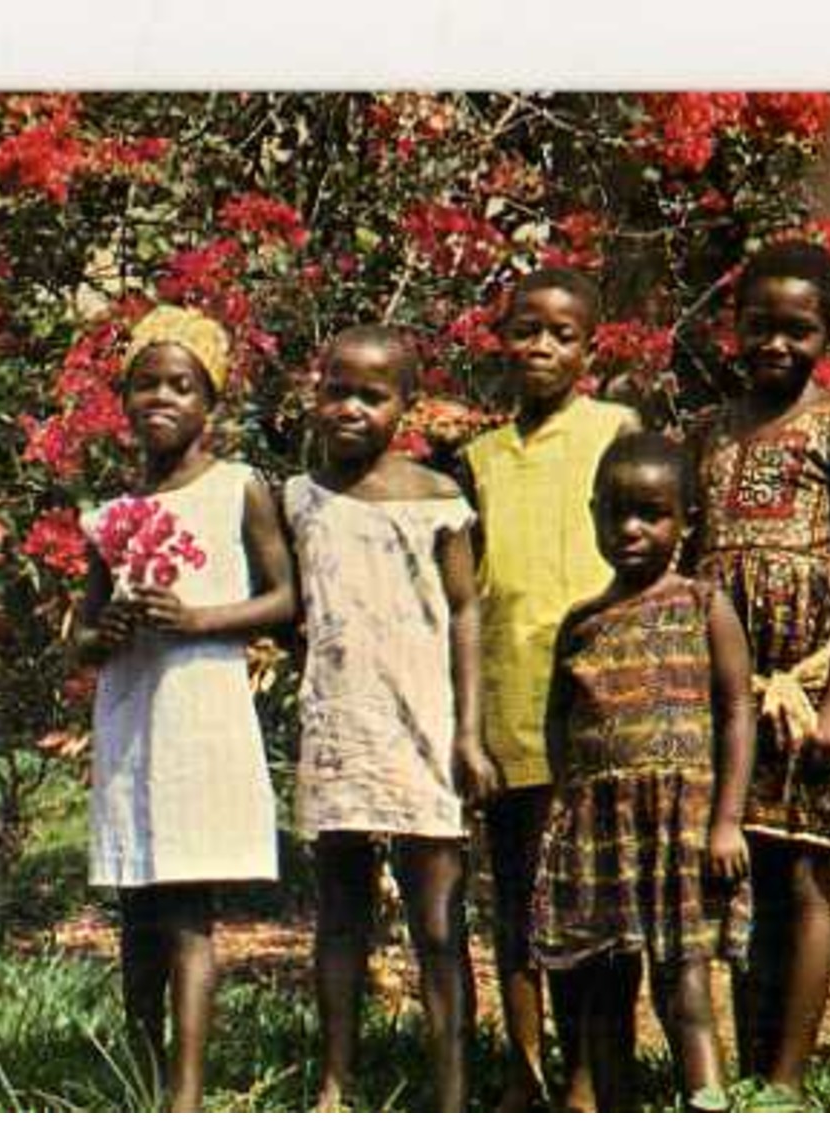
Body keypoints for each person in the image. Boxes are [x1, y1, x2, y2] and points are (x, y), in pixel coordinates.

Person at [76, 305, 296, 1111]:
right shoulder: (109, 514)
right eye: (144, 384)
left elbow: (284, 599)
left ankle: (187, 1094)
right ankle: (141, 1071)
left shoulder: (238, 490)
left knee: (187, 911)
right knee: (137, 906)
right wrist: (110, 630)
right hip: (133, 716)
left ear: (212, 402)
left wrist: (199, 618)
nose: (160, 400)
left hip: (201, 712)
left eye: (181, 385)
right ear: (124, 399)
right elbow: (81, 637)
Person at [687, 239, 830, 1110]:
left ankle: (786, 1082)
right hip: (726, 691)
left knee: (802, 873)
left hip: (804, 687)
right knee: (740, 877)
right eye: (760, 326)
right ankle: (746, 1060)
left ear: (828, 332)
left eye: (797, 330)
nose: (776, 345)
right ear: (735, 327)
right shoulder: (711, 429)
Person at [286, 324, 493, 1112]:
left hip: (423, 727)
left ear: (405, 405)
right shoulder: (300, 498)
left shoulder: (437, 500)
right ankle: (337, 1081)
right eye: (337, 390)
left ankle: (450, 1090)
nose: (350, 409)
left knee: (438, 917)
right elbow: (294, 608)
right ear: (316, 393)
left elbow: (467, 612)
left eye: (373, 396)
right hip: (340, 724)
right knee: (339, 914)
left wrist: (467, 733)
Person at [457, 267, 638, 1110]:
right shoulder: (480, 459)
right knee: (522, 900)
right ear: (501, 338)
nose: (540, 347)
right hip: (514, 711)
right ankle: (525, 1079)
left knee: (600, 905)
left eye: (561, 335)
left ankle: (591, 1076)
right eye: (525, 329)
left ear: (588, 348)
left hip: (604, 709)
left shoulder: (615, 430)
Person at [532, 432, 755, 1112]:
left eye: (651, 513)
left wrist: (726, 821)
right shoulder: (583, 622)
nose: (630, 529)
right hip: (601, 828)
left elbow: (737, 711)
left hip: (679, 822)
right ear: (593, 512)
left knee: (683, 980)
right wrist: (569, 803)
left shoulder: (702, 604)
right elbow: (557, 720)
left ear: (686, 520)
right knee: (604, 982)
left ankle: (705, 1099)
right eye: (616, 513)